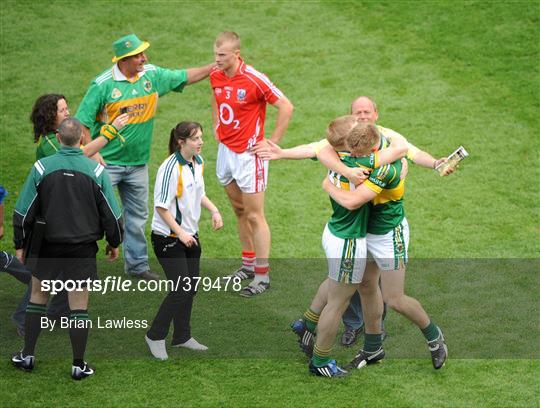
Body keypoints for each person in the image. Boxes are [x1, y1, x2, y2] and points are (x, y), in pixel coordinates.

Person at [270, 116, 406, 377]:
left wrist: (325, 182)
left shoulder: (330, 153)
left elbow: (317, 148)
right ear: (349, 145)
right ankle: (320, 361)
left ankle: (307, 323)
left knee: (336, 284)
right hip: (349, 240)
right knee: (339, 302)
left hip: (334, 231)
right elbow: (399, 147)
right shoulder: (362, 162)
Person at [76, 33, 215, 281]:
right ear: (124, 59)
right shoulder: (103, 85)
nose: (144, 58)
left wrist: (215, 67)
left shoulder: (150, 75)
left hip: (138, 163)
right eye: (139, 55)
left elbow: (183, 76)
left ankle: (137, 266)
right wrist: (94, 151)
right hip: (107, 164)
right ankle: (83, 267)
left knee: (138, 216)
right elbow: (82, 123)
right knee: (96, 216)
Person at [322, 121, 448, 370]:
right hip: (364, 232)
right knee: (367, 286)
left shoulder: (386, 168)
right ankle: (372, 348)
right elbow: (323, 150)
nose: (353, 158)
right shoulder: (369, 149)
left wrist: (327, 185)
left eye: (358, 156)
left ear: (372, 150)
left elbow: (354, 201)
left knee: (395, 298)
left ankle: (434, 337)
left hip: (389, 235)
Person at [11, 118, 123, 380]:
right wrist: (113, 243)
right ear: (82, 140)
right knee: (78, 306)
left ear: (59, 139)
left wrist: (20, 244)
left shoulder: (41, 167)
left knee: (38, 297)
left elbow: (22, 211)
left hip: (47, 246)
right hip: (81, 250)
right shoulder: (96, 172)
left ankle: (27, 356)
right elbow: (114, 216)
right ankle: (78, 365)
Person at [210, 31, 294, 296]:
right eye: (215, 54)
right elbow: (216, 97)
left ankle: (262, 275)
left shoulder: (255, 79)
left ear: (236, 54)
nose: (217, 59)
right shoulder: (216, 75)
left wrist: (272, 141)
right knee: (238, 209)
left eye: (222, 55)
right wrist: (216, 123)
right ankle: (247, 264)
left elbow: (286, 106)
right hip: (226, 151)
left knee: (255, 215)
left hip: (249, 155)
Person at [144, 122, 223, 361]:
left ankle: (182, 336)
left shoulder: (197, 162)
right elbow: (161, 207)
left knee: (190, 288)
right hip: (168, 238)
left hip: (189, 236)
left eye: (201, 137)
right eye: (195, 138)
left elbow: (199, 193)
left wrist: (214, 210)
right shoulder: (170, 169)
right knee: (181, 288)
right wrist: (180, 233)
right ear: (181, 142)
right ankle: (155, 336)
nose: (200, 142)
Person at [31, 93, 126, 160]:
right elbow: (79, 155)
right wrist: (111, 131)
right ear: (49, 116)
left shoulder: (59, 133)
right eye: (62, 111)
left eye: (67, 109)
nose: (67, 113)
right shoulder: (50, 143)